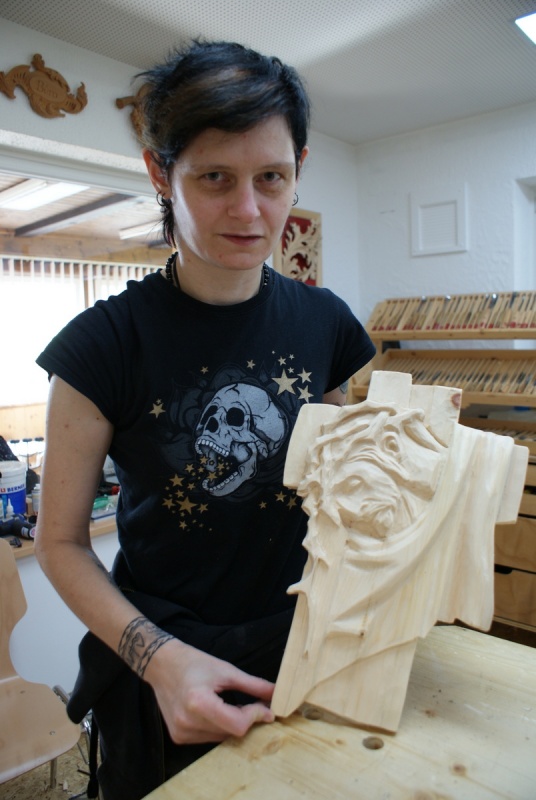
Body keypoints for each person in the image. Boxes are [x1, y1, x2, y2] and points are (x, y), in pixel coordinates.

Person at [35, 39, 376, 799]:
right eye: (215, 177)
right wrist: (159, 661)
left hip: (306, 647)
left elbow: (338, 492)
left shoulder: (327, 325)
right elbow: (58, 544)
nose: (250, 211)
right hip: (163, 667)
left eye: (271, 178)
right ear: (161, 173)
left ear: (299, 168)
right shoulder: (99, 347)